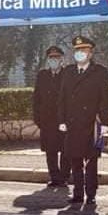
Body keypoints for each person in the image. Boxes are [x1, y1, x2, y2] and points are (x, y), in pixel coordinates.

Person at [58, 36, 108, 206]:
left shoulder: (100, 72)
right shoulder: (68, 72)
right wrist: (62, 120)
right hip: (72, 123)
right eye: (77, 50)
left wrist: (105, 123)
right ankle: (78, 193)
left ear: (91, 52)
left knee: (91, 161)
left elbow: (105, 99)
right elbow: (62, 98)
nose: (80, 53)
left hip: (91, 124)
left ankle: (91, 194)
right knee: (75, 160)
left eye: (84, 50)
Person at [33, 45, 70, 188]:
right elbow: (37, 98)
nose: (53, 60)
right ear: (48, 60)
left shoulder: (67, 74)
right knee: (51, 150)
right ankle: (54, 177)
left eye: (56, 57)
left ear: (61, 59)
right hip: (47, 120)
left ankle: (64, 177)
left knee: (66, 150)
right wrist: (38, 118)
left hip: (64, 119)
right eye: (51, 58)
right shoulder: (42, 75)